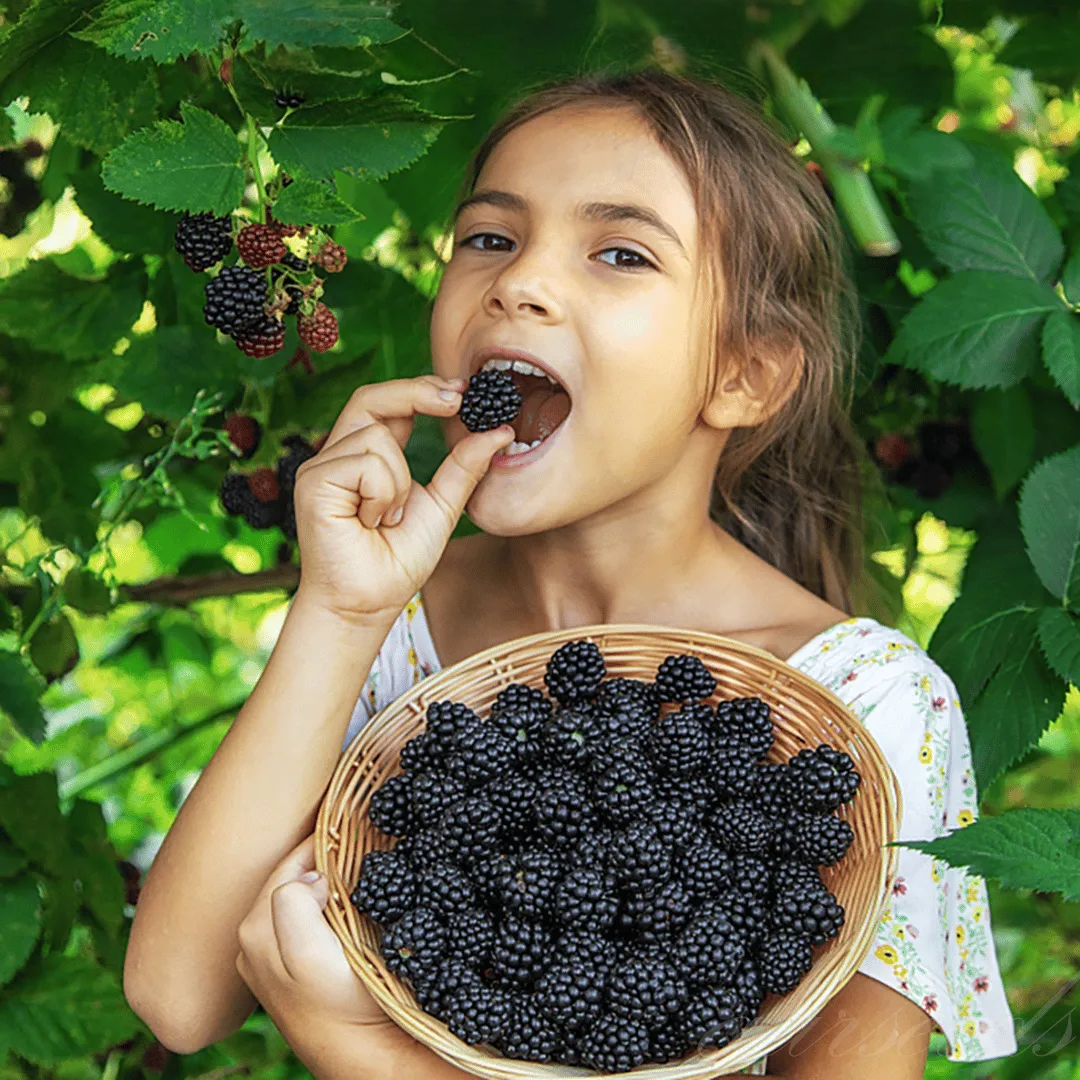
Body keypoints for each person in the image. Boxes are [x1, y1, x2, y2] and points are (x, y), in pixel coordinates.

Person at [123, 68, 1017, 1077]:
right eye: (490, 238)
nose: (517, 282)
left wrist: (359, 1048)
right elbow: (180, 995)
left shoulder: (871, 703)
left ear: (745, 374)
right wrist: (339, 610)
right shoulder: (392, 625)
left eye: (622, 253)